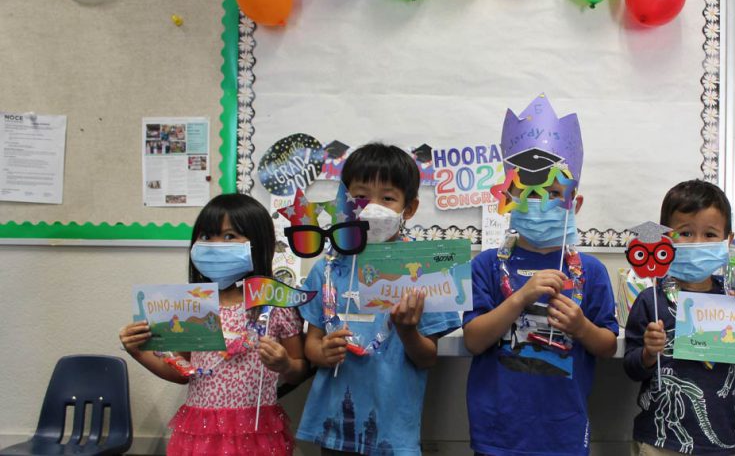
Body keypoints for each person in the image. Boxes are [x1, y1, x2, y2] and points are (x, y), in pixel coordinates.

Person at [463, 95, 619, 455]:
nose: (539, 203)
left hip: (562, 432)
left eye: (551, 192)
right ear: (508, 199)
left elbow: (607, 346)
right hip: (497, 433)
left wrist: (581, 327)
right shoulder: (487, 265)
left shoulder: (590, 272)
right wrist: (520, 298)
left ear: (574, 203)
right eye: (527, 192)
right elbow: (473, 341)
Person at [297, 143, 462, 455]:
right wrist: (323, 352)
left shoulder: (427, 271)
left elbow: (427, 358)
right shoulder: (328, 268)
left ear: (408, 208)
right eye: (360, 197)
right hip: (335, 429)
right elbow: (312, 345)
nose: (372, 207)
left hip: (392, 430)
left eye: (387, 198)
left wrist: (407, 330)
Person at [119, 193, 305, 455]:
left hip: (256, 430)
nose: (216, 245)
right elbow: (181, 371)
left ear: (260, 243)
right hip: (200, 431)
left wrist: (285, 364)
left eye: (230, 236)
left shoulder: (274, 304)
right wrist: (137, 352)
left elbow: (299, 367)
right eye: (206, 236)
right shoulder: (191, 304)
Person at [624, 180, 735, 455]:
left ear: (728, 240)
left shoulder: (733, 297)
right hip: (658, 441)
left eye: (710, 235)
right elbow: (632, 368)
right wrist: (649, 353)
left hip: (719, 441)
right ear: (664, 239)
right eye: (685, 233)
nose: (698, 243)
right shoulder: (651, 299)